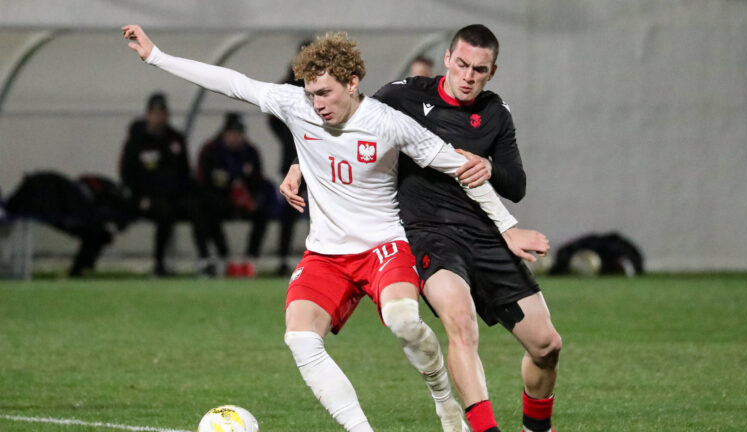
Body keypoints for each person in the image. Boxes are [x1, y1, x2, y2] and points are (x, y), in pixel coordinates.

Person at [122, 25, 547, 432]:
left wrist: (508, 227)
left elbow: (460, 167)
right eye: (311, 92)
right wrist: (156, 57)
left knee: (403, 320)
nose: (318, 103)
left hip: (385, 246)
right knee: (300, 339)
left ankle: (442, 398)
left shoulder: (388, 122)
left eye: (325, 92)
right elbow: (231, 81)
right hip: (326, 253)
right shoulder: (297, 105)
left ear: (352, 83)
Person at [285, 24, 561, 432]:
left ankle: (536, 428)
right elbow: (347, 124)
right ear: (448, 59)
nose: (468, 76)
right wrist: (300, 166)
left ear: (492, 73)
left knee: (547, 346)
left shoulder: (495, 113)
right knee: (461, 323)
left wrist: (490, 168)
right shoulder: (403, 95)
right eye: (462, 64)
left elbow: (516, 185)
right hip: (428, 235)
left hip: (484, 235)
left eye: (479, 70)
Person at [119, 92, 196, 276]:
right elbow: (126, 173)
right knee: (164, 212)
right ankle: (159, 264)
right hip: (145, 199)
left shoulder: (175, 138)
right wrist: (141, 197)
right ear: (148, 114)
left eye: (162, 113)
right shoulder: (136, 141)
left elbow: (185, 171)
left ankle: (208, 261)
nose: (159, 117)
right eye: (155, 113)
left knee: (198, 207)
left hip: (173, 197)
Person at [5, 171, 133, 277]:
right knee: (97, 234)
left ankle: (81, 270)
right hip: (62, 208)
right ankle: (81, 271)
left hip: (58, 206)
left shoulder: (99, 190)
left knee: (96, 234)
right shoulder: (110, 195)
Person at [194, 112, 271, 278]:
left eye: (239, 133)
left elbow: (258, 182)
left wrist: (251, 199)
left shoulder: (251, 152)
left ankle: (251, 259)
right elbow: (202, 183)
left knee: (263, 211)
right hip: (219, 202)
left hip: (243, 203)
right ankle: (220, 258)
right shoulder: (210, 151)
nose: (235, 137)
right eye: (232, 133)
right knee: (201, 209)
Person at [266, 39, 312, 276]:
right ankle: (283, 258)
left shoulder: (319, 87)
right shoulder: (286, 86)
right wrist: (288, 137)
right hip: (290, 160)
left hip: (315, 161)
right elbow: (272, 119)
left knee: (317, 213)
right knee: (288, 212)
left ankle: (319, 260)